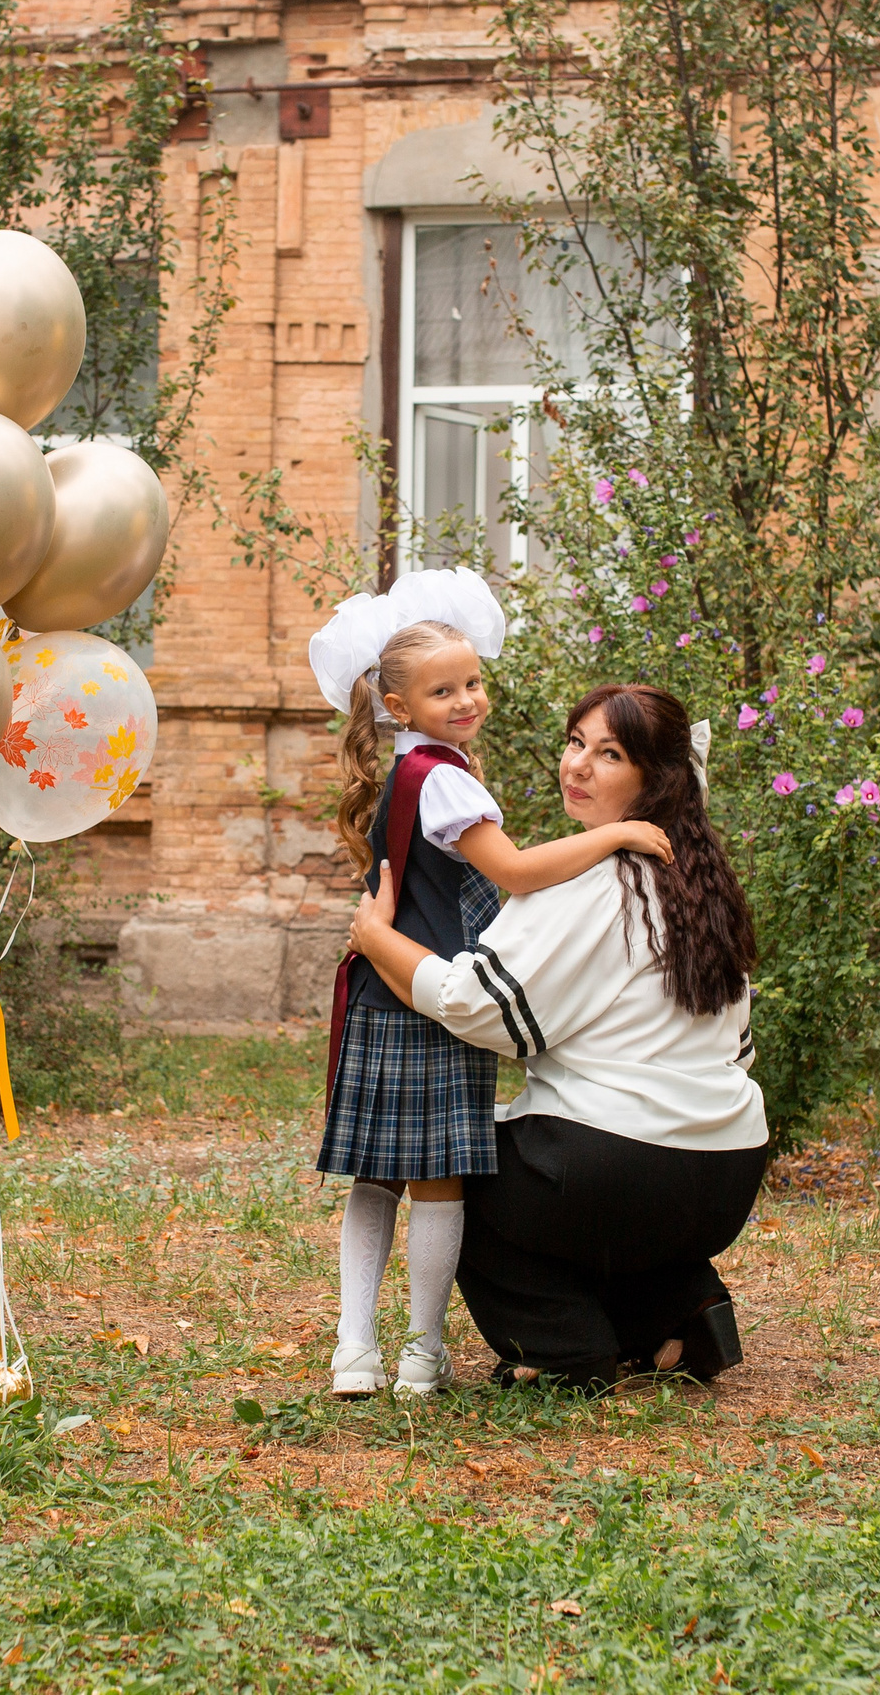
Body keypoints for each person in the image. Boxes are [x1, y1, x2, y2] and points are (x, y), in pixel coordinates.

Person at [307, 572, 675, 1398]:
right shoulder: (447, 778)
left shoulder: (412, 766)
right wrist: (617, 832)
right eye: (443, 690)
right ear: (399, 706)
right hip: (435, 994)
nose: (467, 698)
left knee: (374, 1179)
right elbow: (511, 871)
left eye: (472, 682)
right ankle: (420, 1351)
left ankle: (352, 1349)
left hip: (378, 990)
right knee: (437, 1182)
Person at [347, 681, 770, 1390]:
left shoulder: (587, 883)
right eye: (576, 742)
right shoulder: (706, 883)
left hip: (621, 1168)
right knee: (578, 1186)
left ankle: (566, 1349)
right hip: (730, 1170)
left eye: (608, 753)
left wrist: (376, 938)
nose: (577, 765)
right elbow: (741, 1045)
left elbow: (478, 1004)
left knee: (460, 1163)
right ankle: (680, 1312)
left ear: (654, 779)